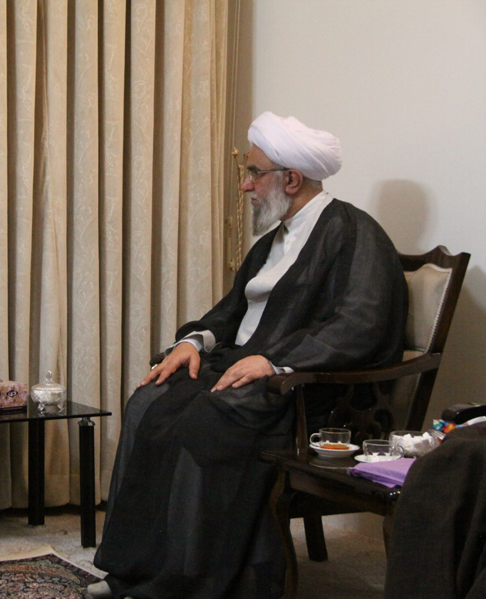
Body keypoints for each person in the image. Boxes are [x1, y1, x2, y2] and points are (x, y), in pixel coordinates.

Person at [89, 113, 408, 599]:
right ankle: (130, 572)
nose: (245, 185)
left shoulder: (355, 232)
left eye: (254, 173)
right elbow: (230, 311)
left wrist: (276, 361)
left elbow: (360, 325)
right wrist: (191, 343)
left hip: (306, 394)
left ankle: (187, 583)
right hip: (244, 372)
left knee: (205, 423)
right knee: (148, 401)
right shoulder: (272, 241)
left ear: (291, 179)